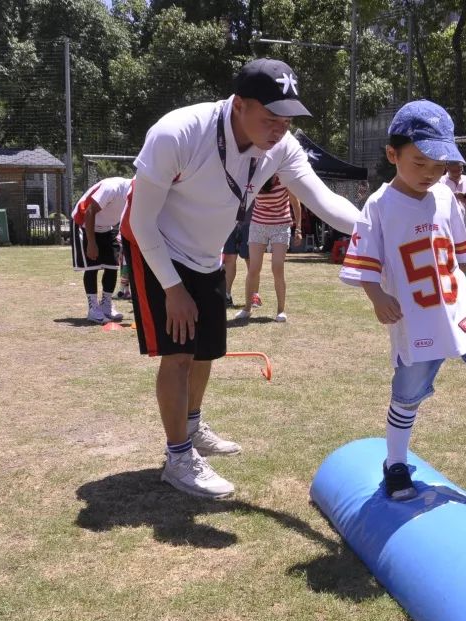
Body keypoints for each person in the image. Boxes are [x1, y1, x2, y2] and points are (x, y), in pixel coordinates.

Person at [122, 58, 361, 499]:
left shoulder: (281, 146)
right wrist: (173, 289)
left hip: (208, 254)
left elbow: (323, 200)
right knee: (177, 354)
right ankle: (178, 458)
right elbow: (140, 220)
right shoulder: (178, 132)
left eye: (286, 121)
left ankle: (192, 430)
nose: (279, 131)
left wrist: (374, 228)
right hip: (157, 246)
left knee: (206, 350)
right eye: (270, 119)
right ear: (239, 105)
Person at [339, 99, 466, 502]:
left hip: (459, 308)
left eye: (438, 166)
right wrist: (377, 295)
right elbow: (363, 262)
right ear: (392, 154)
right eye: (420, 163)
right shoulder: (378, 206)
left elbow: (461, 256)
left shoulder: (447, 198)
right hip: (415, 318)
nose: (430, 174)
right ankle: (395, 464)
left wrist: (457, 293)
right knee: (407, 395)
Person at [233, 174, 302, 322]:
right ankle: (247, 308)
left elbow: (295, 203)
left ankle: (281, 310)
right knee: (253, 269)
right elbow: (242, 197)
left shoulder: (284, 177)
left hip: (281, 224)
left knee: (277, 267)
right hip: (258, 223)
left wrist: (299, 229)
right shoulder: (255, 176)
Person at [71, 177, 131, 323]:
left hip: (107, 228)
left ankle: (106, 305)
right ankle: (93, 309)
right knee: (92, 267)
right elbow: (89, 212)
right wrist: (91, 243)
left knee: (112, 266)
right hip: (85, 224)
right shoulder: (112, 188)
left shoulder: (135, 194)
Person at [439, 160, 466, 227]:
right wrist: (455, 196)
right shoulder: (440, 181)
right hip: (445, 225)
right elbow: (437, 202)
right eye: (454, 171)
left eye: (459, 170)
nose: (457, 174)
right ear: (447, 168)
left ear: (462, 168)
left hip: (463, 225)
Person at [222, 221, 249, 306]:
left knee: (250, 259)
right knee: (229, 258)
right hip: (229, 220)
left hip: (250, 220)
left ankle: (254, 296)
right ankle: (227, 295)